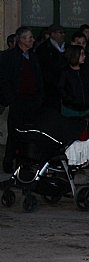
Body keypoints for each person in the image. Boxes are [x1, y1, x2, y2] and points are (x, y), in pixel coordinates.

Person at [0, 26, 44, 173]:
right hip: (17, 101)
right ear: (22, 40)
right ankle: (8, 162)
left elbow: (38, 79)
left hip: (32, 102)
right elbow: (4, 80)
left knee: (28, 134)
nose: (32, 40)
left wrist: (39, 98)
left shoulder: (33, 57)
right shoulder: (8, 57)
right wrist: (11, 99)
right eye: (30, 37)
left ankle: (23, 164)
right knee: (14, 133)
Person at [37, 24, 66, 106]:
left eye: (64, 32)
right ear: (52, 34)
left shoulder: (67, 47)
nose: (63, 35)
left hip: (65, 85)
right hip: (50, 87)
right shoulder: (43, 49)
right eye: (60, 33)